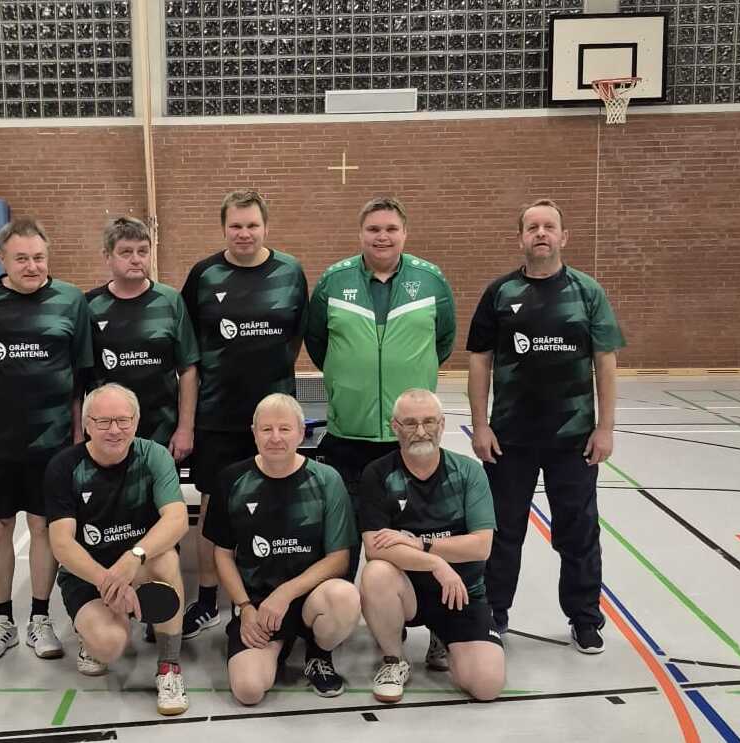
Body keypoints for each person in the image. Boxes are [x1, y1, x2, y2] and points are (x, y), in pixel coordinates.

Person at [466, 198, 626, 653]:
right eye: (532, 227)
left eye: (549, 226)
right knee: (502, 532)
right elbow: (479, 360)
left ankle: (584, 618)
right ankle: (494, 614)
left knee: (578, 532)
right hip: (509, 439)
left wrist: (605, 428)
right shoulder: (500, 293)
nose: (541, 233)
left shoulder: (587, 292)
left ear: (563, 236)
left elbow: (605, 361)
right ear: (520, 238)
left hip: (573, 440)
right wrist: (480, 425)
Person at [306, 196, 456, 666]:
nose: (382, 237)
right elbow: (317, 343)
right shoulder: (334, 281)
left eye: (391, 228)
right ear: (361, 234)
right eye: (373, 229)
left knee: (418, 540)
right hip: (349, 439)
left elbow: (444, 341)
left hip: (411, 440)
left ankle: (436, 628)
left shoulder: (430, 280)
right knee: (343, 541)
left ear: (404, 233)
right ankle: (331, 632)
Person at [180, 191, 308, 640]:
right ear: (223, 228)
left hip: (274, 419)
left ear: (265, 227)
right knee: (214, 508)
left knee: (277, 505)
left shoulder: (290, 271)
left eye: (252, 225)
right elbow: (188, 348)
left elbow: (296, 337)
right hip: (217, 415)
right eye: (235, 225)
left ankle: (267, 595)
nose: (244, 233)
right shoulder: (204, 275)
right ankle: (207, 600)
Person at [0, 218, 93, 661]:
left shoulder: (71, 299)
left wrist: (77, 430)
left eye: (39, 257)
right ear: (2, 259)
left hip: (52, 441)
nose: (32, 266)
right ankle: (2, 619)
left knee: (43, 527)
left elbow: (80, 373)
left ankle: (40, 619)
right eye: (21, 258)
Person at [203, 393, 360, 703]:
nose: (275, 438)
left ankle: (318, 652)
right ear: (254, 433)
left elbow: (339, 559)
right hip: (259, 606)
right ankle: (278, 644)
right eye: (266, 429)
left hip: (310, 600)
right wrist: (245, 607)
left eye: (285, 429)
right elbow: (222, 553)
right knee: (248, 690)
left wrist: (285, 594)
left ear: (301, 433)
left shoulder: (327, 480)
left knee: (345, 597)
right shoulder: (232, 480)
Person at [46, 384, 190, 715]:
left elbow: (177, 518)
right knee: (110, 647)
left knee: (167, 559)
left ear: (136, 422)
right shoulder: (64, 466)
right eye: (104, 422)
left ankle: (169, 667)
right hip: (89, 574)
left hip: (137, 565)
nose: (115, 430)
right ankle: (93, 633)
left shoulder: (154, 455)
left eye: (123, 421)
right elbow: (62, 543)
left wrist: (134, 557)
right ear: (87, 424)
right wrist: (106, 580)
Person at [358, 389, 504, 703]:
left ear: (442, 424)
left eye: (429, 422)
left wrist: (420, 544)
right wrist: (436, 563)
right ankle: (394, 660)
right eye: (410, 423)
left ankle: (444, 637)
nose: (421, 431)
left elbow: (481, 546)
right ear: (395, 427)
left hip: (459, 592)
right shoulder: (378, 474)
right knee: (376, 573)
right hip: (406, 591)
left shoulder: (469, 472)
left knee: (487, 686)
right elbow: (375, 547)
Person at [83, 216, 198, 458]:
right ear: (107, 256)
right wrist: (79, 431)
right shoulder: (90, 305)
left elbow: (188, 369)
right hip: (108, 435)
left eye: (143, 251)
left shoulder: (170, 301)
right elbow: (78, 376)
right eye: (126, 252)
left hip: (162, 433)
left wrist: (185, 429)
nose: (136, 259)